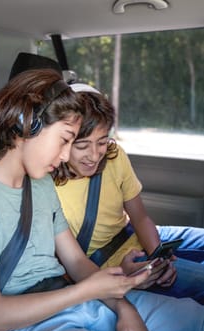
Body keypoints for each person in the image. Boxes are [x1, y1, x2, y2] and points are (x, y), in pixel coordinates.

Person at [0, 68, 157, 331]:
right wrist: (86, 291)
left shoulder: (42, 185)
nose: (66, 156)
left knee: (190, 321)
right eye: (65, 139)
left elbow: (77, 262)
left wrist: (124, 308)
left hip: (69, 299)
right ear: (26, 123)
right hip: (16, 328)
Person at [53, 83, 204, 305]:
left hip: (132, 234)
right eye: (82, 145)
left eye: (102, 142)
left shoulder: (114, 156)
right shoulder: (47, 183)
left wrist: (158, 256)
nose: (94, 155)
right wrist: (121, 274)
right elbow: (66, 266)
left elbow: (140, 216)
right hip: (105, 263)